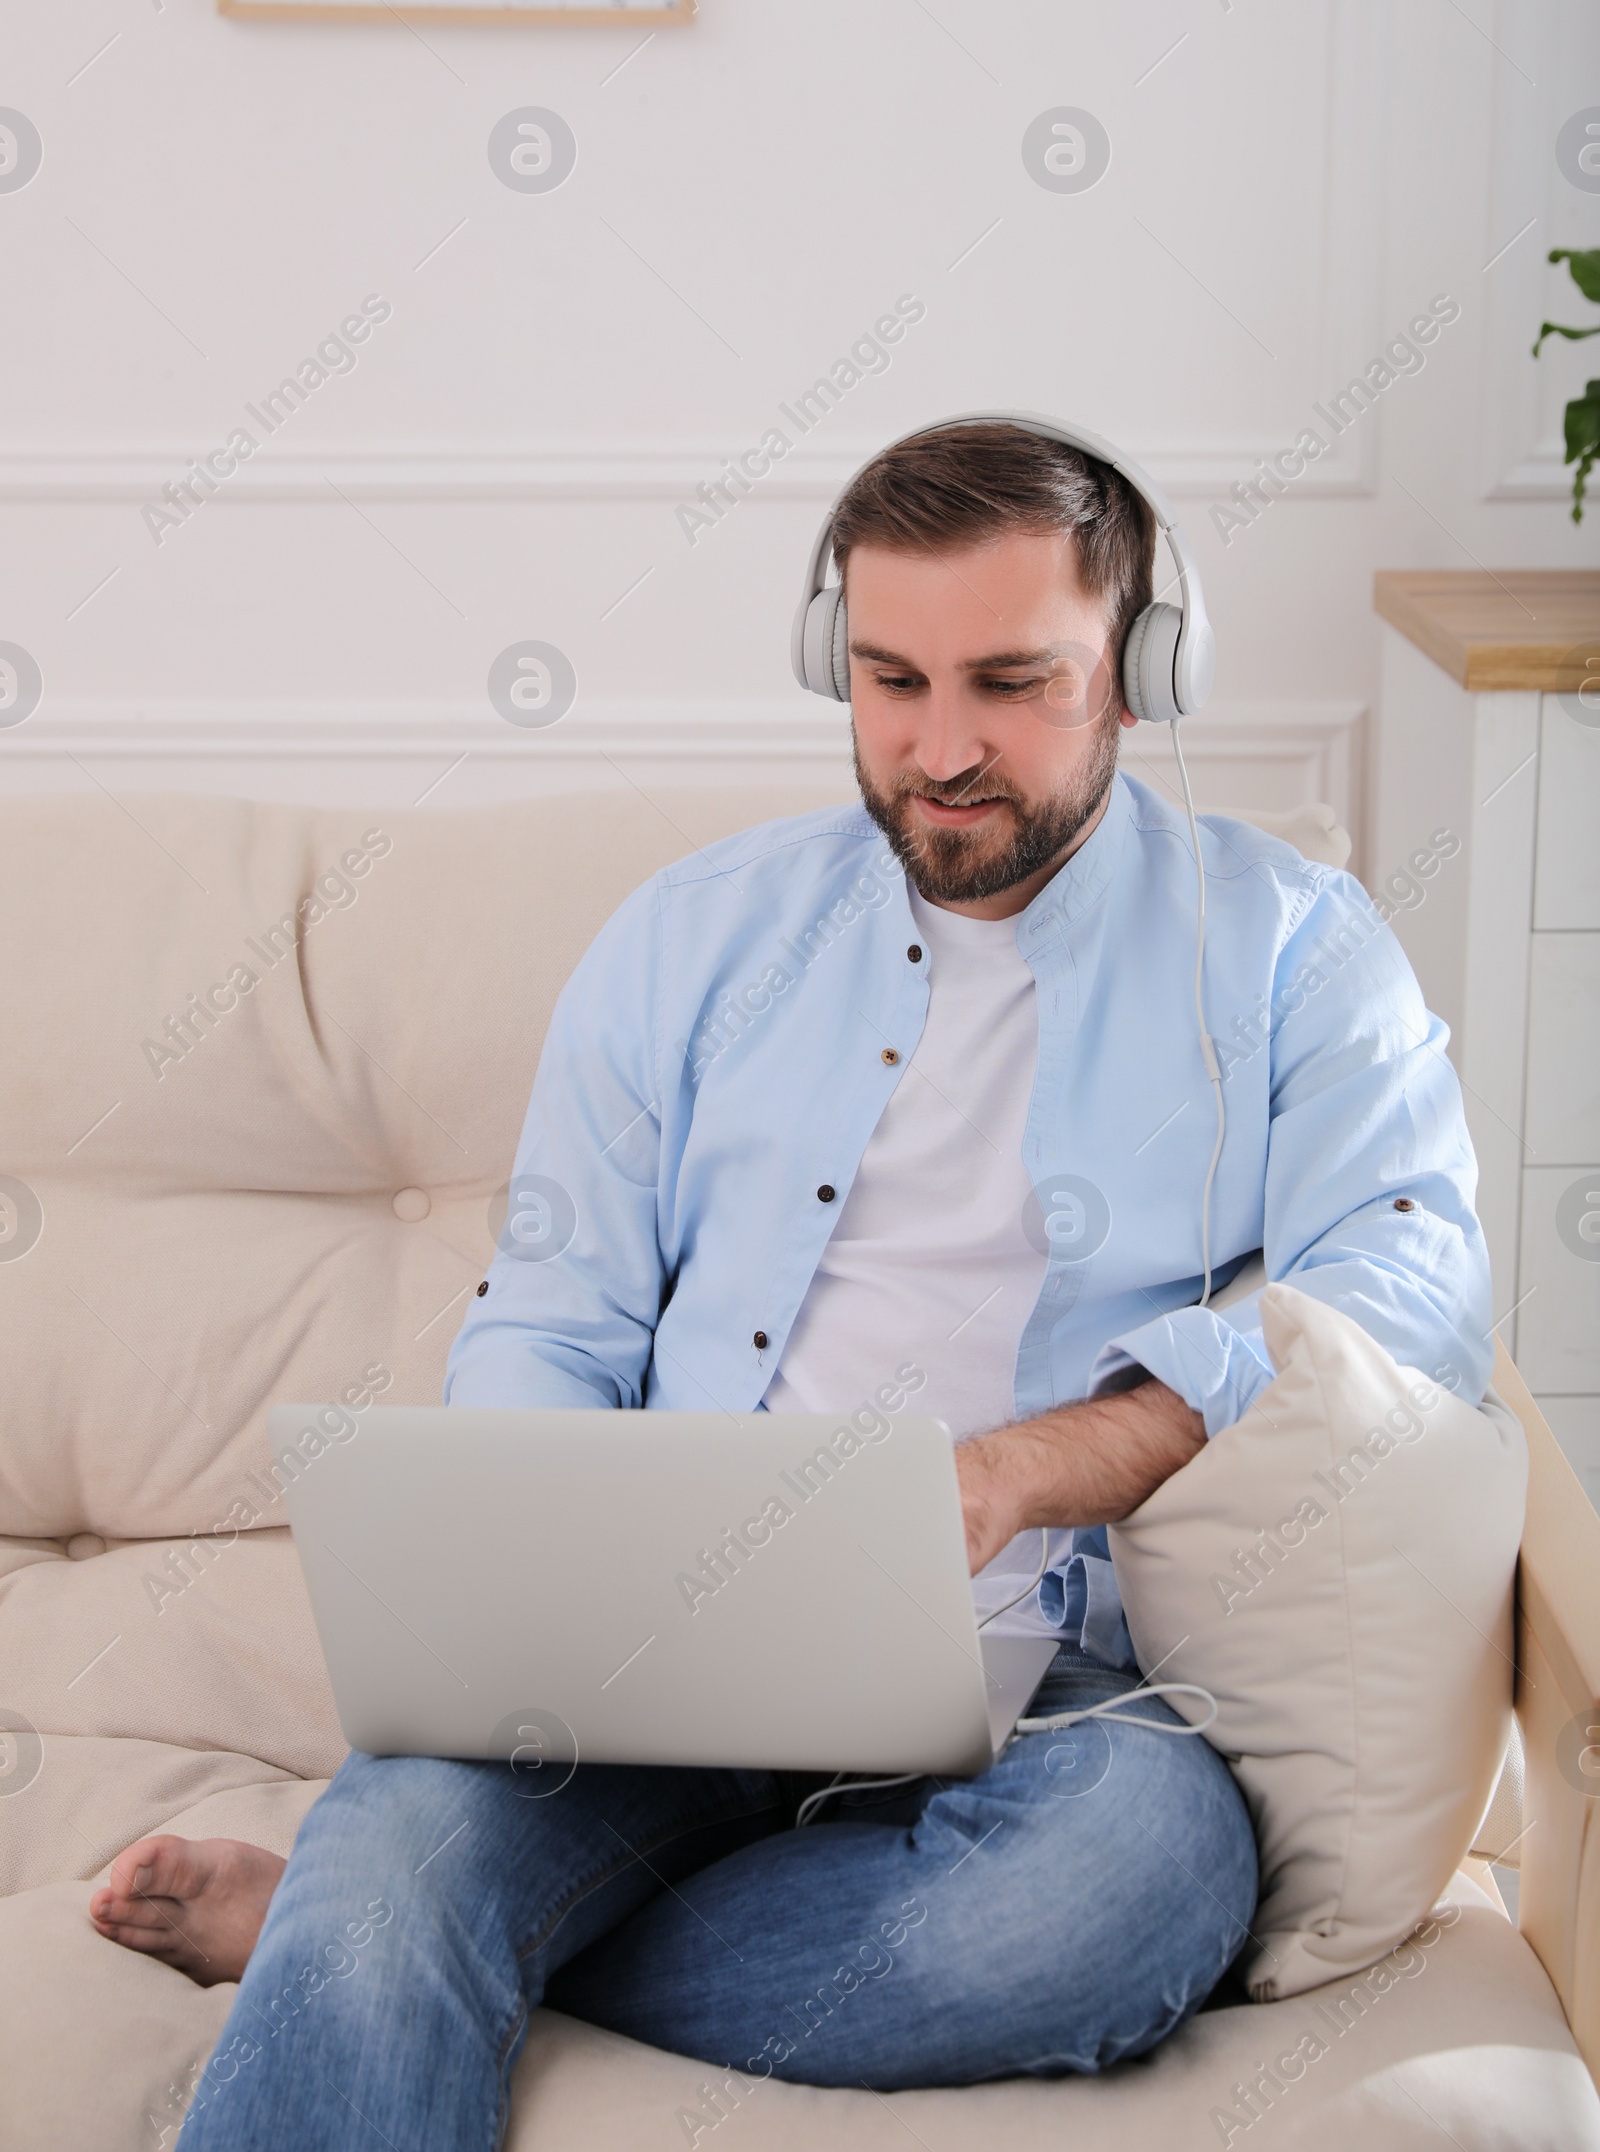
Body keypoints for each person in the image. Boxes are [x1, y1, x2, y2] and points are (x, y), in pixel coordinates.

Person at [89, 421, 1491, 2146]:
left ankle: (370, 1926)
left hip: (1062, 1689)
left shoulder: (1296, 948)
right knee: (406, 1836)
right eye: (892, 681)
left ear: (1139, 670)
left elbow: (1407, 1291)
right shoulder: (691, 938)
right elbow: (552, 1316)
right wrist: (534, 1577)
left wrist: (1021, 1473)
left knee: (1110, 1909)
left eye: (1011, 682)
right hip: (663, 1656)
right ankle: (380, 1902)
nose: (942, 748)